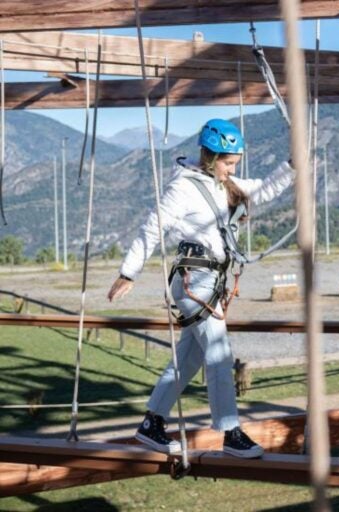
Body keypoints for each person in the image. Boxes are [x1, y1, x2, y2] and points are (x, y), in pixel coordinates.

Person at [107, 118, 294, 458]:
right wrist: (128, 272)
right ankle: (230, 432)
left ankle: (152, 423)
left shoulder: (218, 183)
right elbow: (152, 229)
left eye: (234, 164)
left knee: (191, 357)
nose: (231, 170)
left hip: (208, 280)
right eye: (228, 163)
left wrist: (293, 167)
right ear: (210, 156)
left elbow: (264, 189)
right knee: (219, 352)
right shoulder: (183, 188)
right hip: (195, 281)